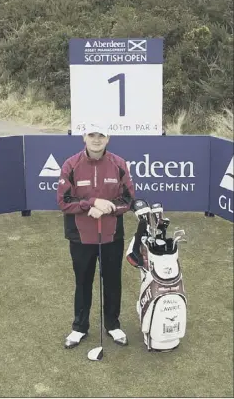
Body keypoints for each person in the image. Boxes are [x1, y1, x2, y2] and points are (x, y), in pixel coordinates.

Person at [57, 122, 135, 349]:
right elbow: (63, 201)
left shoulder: (118, 164)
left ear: (108, 138)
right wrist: (90, 204)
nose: (97, 139)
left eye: (101, 135)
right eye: (92, 135)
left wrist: (108, 207)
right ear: (84, 137)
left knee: (112, 281)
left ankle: (113, 325)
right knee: (83, 282)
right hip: (80, 236)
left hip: (111, 235)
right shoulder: (71, 164)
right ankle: (79, 327)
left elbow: (128, 199)